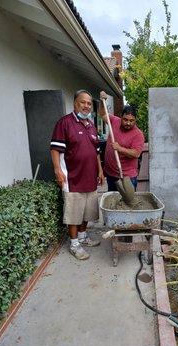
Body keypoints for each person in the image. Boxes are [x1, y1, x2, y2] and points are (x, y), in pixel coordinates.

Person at [50, 90, 104, 260]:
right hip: (72, 179)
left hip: (90, 178)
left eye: (89, 103)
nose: (86, 106)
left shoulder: (91, 124)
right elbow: (55, 149)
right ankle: (74, 245)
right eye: (83, 102)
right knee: (74, 214)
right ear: (75, 104)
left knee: (87, 213)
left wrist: (100, 170)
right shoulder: (64, 123)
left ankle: (83, 237)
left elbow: (95, 152)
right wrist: (58, 170)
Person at [98, 91, 145, 191]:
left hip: (127, 177)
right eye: (125, 119)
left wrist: (119, 149)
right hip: (111, 174)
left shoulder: (138, 134)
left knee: (128, 203)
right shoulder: (114, 121)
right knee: (112, 202)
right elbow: (102, 114)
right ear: (121, 117)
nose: (128, 123)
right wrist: (102, 101)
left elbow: (136, 153)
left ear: (135, 120)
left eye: (131, 120)